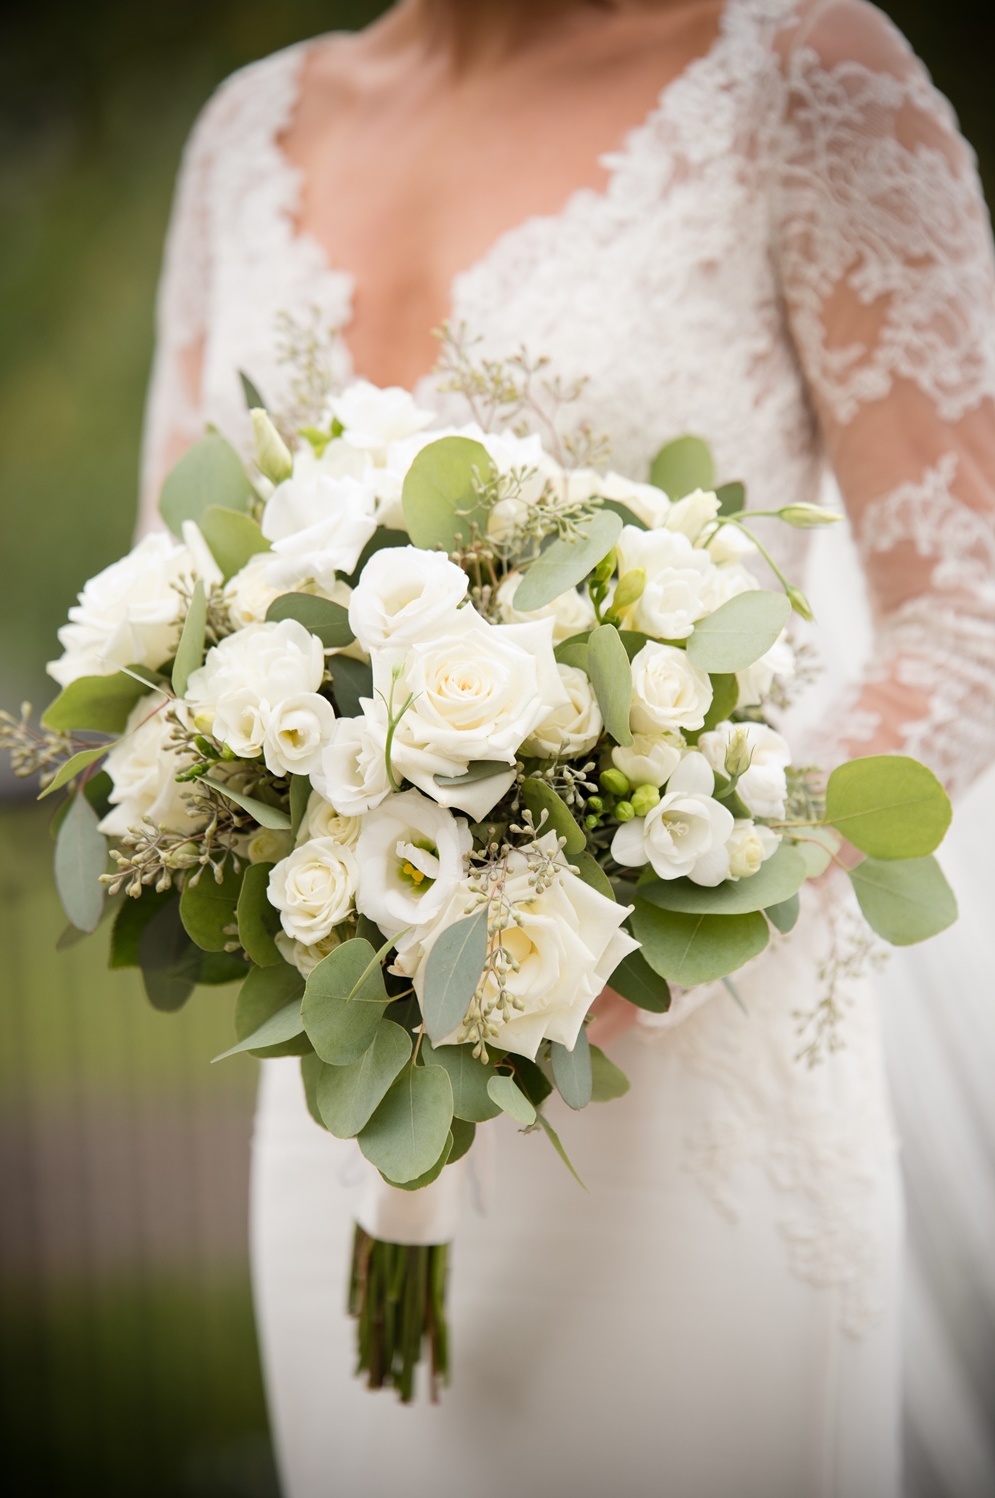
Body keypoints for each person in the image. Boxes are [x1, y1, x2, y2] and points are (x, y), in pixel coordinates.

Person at [138, 1, 995, 1493]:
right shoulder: (242, 136)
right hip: (347, 1092)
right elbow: (171, 588)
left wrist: (659, 910)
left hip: (682, 1095)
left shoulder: (808, 79)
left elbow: (966, 614)